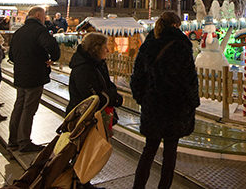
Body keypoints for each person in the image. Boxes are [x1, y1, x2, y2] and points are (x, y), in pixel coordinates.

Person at [131, 12, 198, 189]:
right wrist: (192, 103)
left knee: (149, 150)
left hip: (153, 107)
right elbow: (189, 80)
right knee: (170, 153)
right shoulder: (182, 46)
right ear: (176, 25)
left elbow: (137, 77)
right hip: (175, 108)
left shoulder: (148, 45)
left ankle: (138, 187)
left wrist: (143, 99)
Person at [8, 6, 60, 152]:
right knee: (29, 108)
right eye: (44, 16)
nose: (45, 19)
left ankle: (13, 140)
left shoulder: (19, 32)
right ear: (38, 15)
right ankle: (24, 141)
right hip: (35, 74)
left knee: (19, 106)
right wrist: (53, 58)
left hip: (20, 74)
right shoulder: (40, 31)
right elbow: (52, 46)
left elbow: (11, 55)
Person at [68, 32, 122, 124]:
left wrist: (113, 94)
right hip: (85, 119)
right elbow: (92, 97)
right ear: (96, 49)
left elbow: (107, 84)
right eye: (105, 47)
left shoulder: (98, 64)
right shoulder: (83, 69)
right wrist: (113, 98)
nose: (108, 50)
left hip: (97, 117)